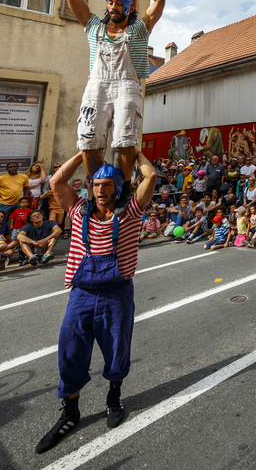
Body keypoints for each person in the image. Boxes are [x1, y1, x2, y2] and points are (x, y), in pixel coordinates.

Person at [34, 149, 157, 454]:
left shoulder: (130, 213)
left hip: (117, 294)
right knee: (70, 351)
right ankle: (70, 412)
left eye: (107, 185)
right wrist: (85, 152)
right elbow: (56, 180)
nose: (100, 190)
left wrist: (134, 151)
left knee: (117, 348)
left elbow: (150, 176)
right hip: (82, 295)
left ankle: (114, 398)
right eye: (96, 185)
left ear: (118, 188)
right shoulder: (78, 210)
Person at [63, 0, 166, 205]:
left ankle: (124, 188)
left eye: (119, 3)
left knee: (124, 140)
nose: (114, 6)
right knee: (87, 141)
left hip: (127, 84)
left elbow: (159, 2)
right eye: (110, 2)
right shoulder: (93, 26)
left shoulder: (139, 29)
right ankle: (99, 185)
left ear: (129, 8)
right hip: (97, 84)